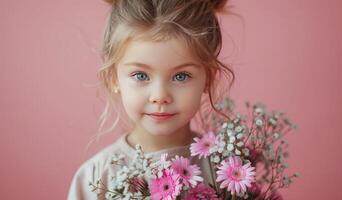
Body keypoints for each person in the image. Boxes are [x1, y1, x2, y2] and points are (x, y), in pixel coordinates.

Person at [67, 0, 237, 199]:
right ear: (113, 77)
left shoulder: (228, 171)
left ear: (208, 78)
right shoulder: (97, 179)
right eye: (141, 75)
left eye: (181, 76)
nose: (160, 96)